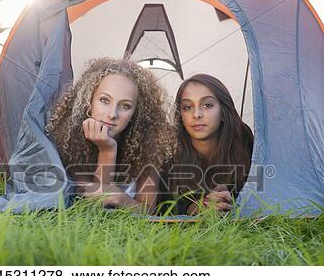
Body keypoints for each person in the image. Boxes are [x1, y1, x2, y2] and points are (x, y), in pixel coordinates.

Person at [45, 58, 175, 214]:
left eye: (125, 106)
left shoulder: (147, 148)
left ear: (136, 114)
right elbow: (95, 208)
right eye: (104, 100)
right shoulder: (69, 145)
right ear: (88, 102)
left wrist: (122, 199)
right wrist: (107, 150)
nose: (112, 114)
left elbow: (148, 212)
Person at [160, 74, 253, 215]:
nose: (196, 114)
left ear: (223, 112)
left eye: (207, 105)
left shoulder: (244, 142)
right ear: (180, 115)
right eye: (187, 107)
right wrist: (198, 207)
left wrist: (229, 198)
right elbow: (164, 209)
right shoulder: (169, 151)